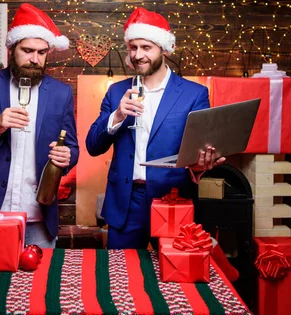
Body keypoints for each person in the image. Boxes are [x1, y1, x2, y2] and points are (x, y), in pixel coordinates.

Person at [86, 7, 225, 249]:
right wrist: (117, 115)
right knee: (121, 276)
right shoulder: (117, 91)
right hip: (125, 203)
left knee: (174, 276)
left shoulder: (194, 94)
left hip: (172, 200)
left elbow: (200, 150)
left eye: (146, 47)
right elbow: (92, 146)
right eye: (133, 47)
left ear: (163, 48)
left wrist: (201, 165)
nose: (138, 55)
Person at [0, 3, 79, 249]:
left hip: (39, 216)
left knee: (40, 284)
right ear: (11, 49)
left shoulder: (61, 93)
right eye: (28, 50)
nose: (35, 59)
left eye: (42, 52)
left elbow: (72, 147)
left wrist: (68, 155)